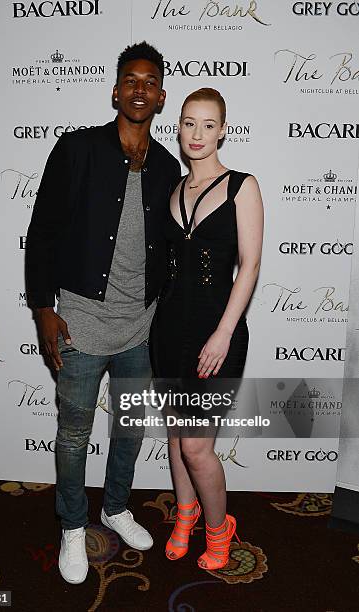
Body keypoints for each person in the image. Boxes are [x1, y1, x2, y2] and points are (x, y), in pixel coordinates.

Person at [25, 41, 181, 584]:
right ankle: (73, 525)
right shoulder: (77, 150)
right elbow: (42, 232)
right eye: (130, 81)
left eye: (150, 82)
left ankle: (115, 507)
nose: (140, 89)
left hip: (140, 327)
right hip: (82, 323)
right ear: (116, 91)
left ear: (161, 97)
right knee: (72, 436)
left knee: (131, 429)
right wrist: (43, 308)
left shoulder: (166, 168)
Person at [150, 88, 263, 570]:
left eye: (207, 124)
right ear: (178, 127)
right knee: (177, 436)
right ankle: (186, 515)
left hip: (217, 333)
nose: (197, 134)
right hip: (169, 330)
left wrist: (223, 332)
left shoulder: (243, 186)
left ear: (223, 130)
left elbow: (250, 266)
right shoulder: (172, 190)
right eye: (188, 123)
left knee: (197, 445)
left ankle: (220, 530)